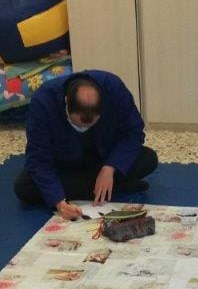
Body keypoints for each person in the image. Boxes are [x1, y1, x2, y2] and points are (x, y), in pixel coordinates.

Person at [14, 70, 159, 220]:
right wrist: (58, 202)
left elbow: (134, 133)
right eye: (79, 125)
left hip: (103, 158)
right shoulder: (44, 100)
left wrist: (110, 167)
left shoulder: (114, 89)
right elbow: (38, 157)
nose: (84, 129)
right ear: (66, 103)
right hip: (65, 164)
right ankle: (113, 187)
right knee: (24, 187)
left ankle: (99, 186)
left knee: (148, 159)